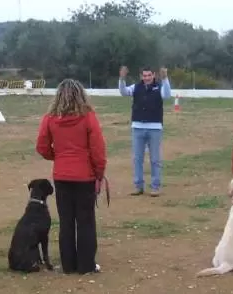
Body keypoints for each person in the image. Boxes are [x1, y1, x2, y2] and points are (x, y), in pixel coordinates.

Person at [36, 78, 107, 274]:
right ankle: (86, 265)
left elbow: (42, 147)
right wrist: (99, 173)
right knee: (85, 221)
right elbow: (98, 149)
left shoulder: (50, 118)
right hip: (85, 176)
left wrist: (57, 156)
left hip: (62, 176)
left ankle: (68, 265)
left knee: (66, 222)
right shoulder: (88, 117)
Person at [118, 66, 172, 197]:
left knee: (155, 159)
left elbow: (167, 95)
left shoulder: (159, 87)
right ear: (141, 76)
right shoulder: (136, 87)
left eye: (149, 75)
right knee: (137, 159)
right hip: (137, 127)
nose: (147, 78)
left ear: (154, 75)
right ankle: (138, 186)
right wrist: (122, 78)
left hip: (155, 128)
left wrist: (165, 79)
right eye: (144, 75)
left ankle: (155, 187)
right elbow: (123, 92)